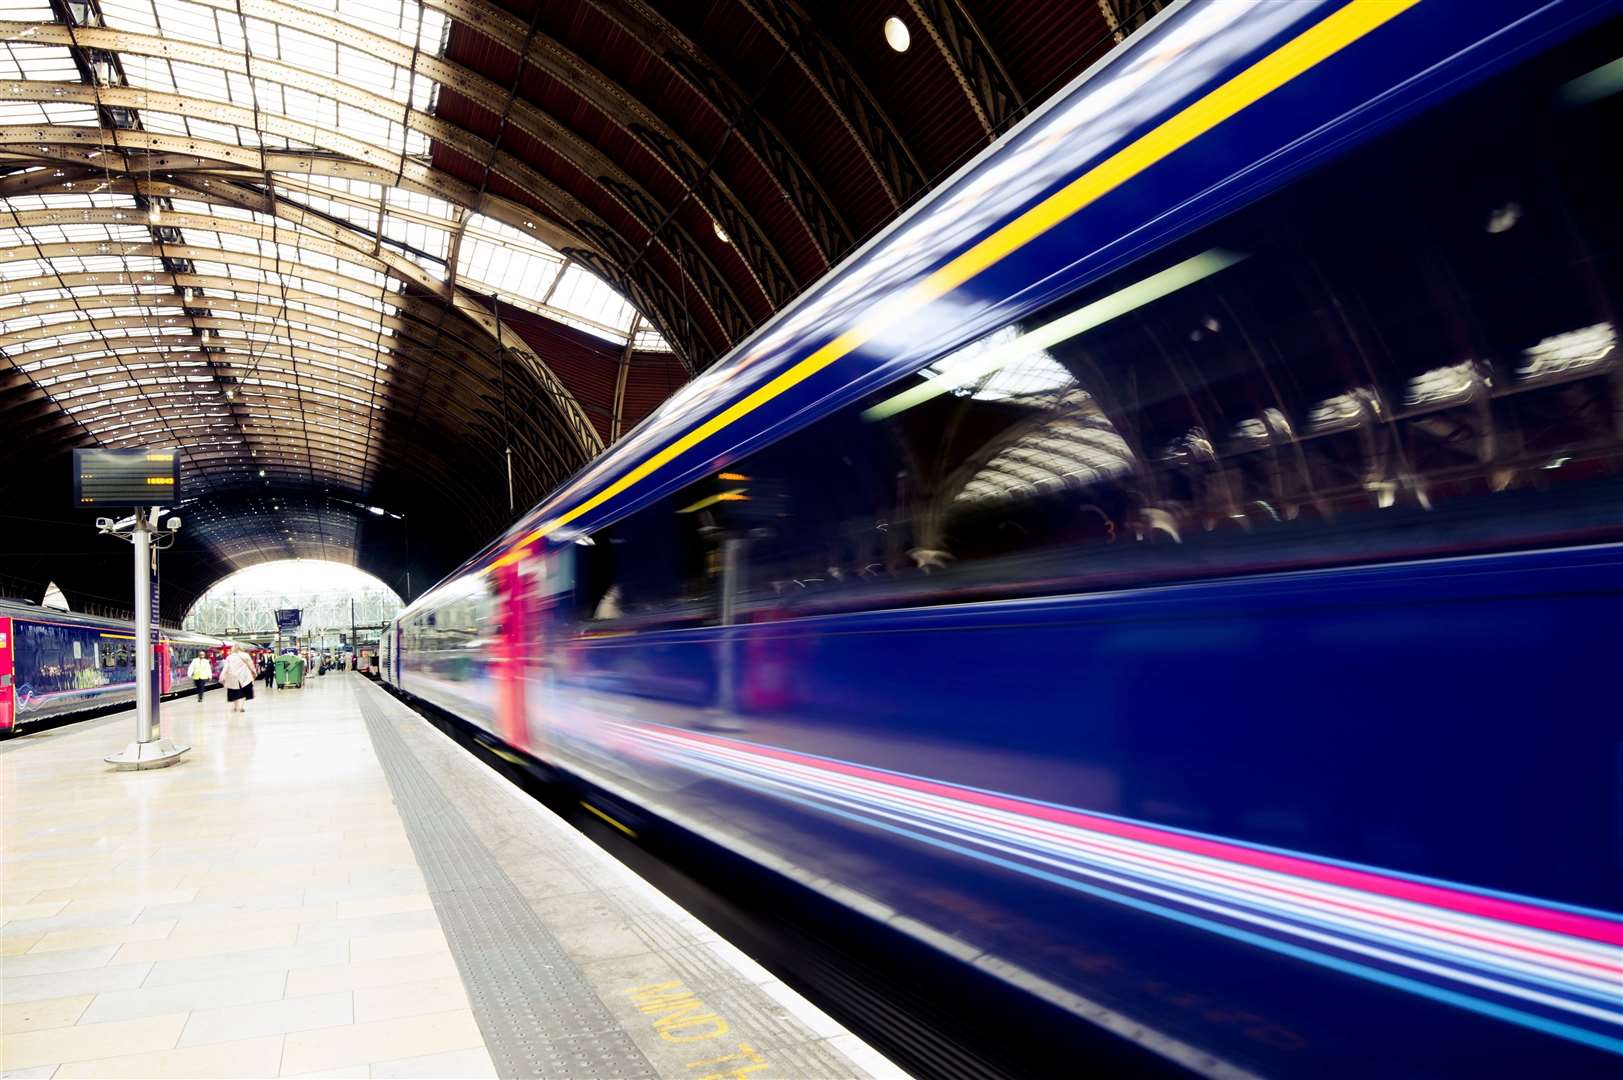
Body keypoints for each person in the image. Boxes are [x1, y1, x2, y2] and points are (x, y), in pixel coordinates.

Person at [220, 645, 257, 714]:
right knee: (244, 693)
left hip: (232, 678)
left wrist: (222, 676)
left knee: (235, 693)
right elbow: (251, 665)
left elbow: (226, 668)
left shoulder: (229, 657)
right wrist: (254, 672)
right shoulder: (245, 655)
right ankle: (241, 707)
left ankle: (236, 706)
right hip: (244, 677)